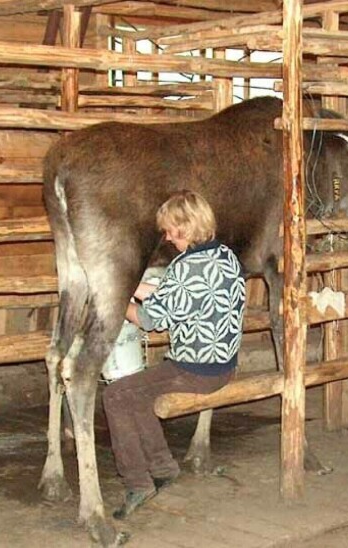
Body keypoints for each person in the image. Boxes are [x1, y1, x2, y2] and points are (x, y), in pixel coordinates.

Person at [104, 190, 246, 520]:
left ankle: (138, 482)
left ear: (185, 227)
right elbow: (173, 294)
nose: (166, 237)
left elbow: (149, 320)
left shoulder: (186, 267)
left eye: (170, 230)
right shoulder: (224, 256)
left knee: (116, 394)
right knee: (136, 394)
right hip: (224, 365)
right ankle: (163, 467)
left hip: (196, 371)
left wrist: (115, 297)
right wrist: (130, 284)